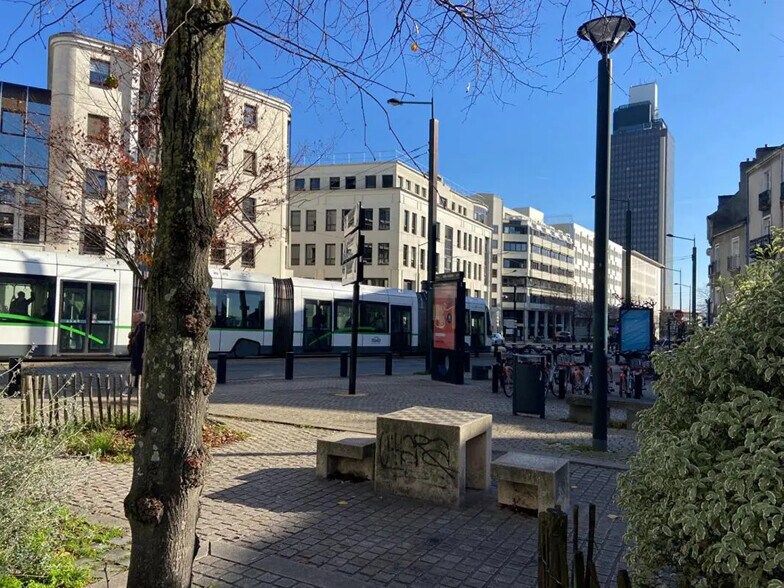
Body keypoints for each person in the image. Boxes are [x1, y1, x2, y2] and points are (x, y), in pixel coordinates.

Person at [127, 310, 146, 394]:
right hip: (135, 354)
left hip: (139, 354)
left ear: (139, 317)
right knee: (132, 372)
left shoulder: (142, 327)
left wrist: (143, 352)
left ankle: (131, 389)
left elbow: (143, 340)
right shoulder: (137, 327)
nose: (133, 318)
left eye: (135, 316)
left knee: (133, 372)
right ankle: (132, 389)